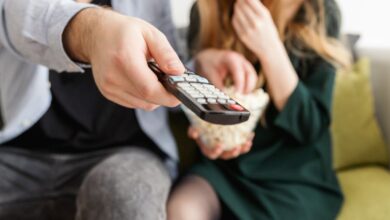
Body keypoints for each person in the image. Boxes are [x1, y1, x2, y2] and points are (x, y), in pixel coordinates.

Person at [0, 0, 187, 219]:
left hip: (126, 154)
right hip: (19, 151)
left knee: (127, 198)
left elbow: (172, 55)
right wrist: (93, 33)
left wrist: (203, 61)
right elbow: (14, 14)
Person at [168, 0, 350, 219]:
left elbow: (309, 127)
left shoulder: (317, 10)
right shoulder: (204, 11)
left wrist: (270, 47)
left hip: (295, 178)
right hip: (224, 171)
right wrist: (199, 65)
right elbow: (201, 112)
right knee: (181, 209)